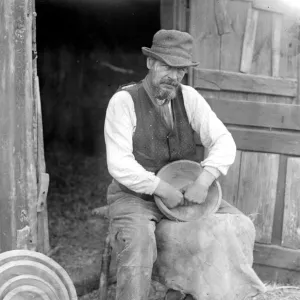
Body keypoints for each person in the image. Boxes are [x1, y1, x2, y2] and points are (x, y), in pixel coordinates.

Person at [104, 30, 265, 300]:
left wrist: (204, 180)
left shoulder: (188, 97)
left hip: (185, 192)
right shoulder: (124, 102)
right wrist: (160, 187)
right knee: (139, 245)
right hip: (136, 197)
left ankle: (199, 294)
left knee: (239, 226)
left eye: (181, 70)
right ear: (150, 63)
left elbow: (223, 141)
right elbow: (119, 164)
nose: (174, 76)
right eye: (167, 66)